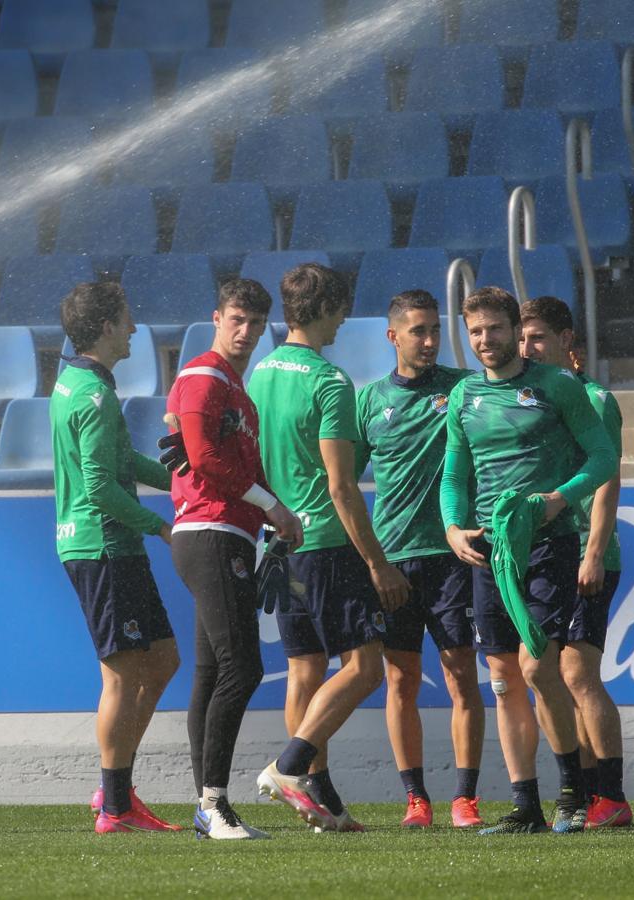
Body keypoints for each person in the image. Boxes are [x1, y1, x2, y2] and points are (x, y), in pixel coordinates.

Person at [440, 286, 618, 835]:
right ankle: (526, 806)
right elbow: (454, 475)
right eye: (475, 331)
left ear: (515, 330)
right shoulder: (463, 395)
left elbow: (603, 457)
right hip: (488, 549)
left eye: (495, 328)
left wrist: (560, 499)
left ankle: (573, 793)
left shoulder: (557, 385)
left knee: (539, 665)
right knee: (502, 676)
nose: (485, 339)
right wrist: (452, 528)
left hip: (546, 543)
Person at [248, 263, 410, 832]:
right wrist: (377, 562)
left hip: (279, 539)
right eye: (340, 309)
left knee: (304, 666)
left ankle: (320, 799)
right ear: (323, 309)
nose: (343, 320)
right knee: (364, 668)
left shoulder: (261, 372)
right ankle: (290, 766)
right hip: (324, 542)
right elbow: (341, 487)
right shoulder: (330, 381)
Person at [165, 278, 305, 840]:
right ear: (216, 318)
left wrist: (278, 516)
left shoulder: (236, 390)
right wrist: (272, 506)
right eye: (236, 320)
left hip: (224, 533)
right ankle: (213, 803)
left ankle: (208, 806)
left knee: (211, 672)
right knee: (242, 669)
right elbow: (201, 456)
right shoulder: (204, 374)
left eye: (255, 323)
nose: (245, 331)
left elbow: (240, 467)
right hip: (210, 532)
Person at [51, 281, 183, 835]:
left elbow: (119, 459)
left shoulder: (76, 382)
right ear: (106, 327)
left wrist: (182, 481)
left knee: (163, 660)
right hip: (104, 546)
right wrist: (162, 527)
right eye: (126, 319)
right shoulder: (94, 395)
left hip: (107, 545)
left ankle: (114, 789)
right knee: (122, 677)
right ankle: (114, 805)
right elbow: (102, 488)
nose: (133, 327)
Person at [353, 290, 484, 829]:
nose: (429, 341)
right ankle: (416, 800)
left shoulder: (463, 388)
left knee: (461, 675)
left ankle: (465, 798)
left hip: (454, 557)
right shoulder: (369, 401)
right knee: (401, 680)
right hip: (394, 561)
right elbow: (340, 482)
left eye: (434, 330)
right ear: (393, 336)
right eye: (418, 331)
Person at [519, 296, 632, 829]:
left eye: (538, 337)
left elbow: (607, 484)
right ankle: (586, 795)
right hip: (549, 551)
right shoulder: (533, 400)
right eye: (522, 338)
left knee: (579, 672)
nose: (527, 348)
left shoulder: (594, 399)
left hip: (587, 553)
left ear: (567, 341)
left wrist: (593, 553)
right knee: (552, 674)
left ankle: (611, 795)